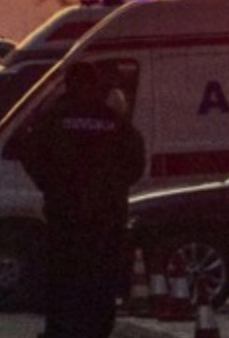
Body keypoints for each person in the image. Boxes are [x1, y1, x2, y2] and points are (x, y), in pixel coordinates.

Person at [8, 61, 146, 338]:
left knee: (64, 279)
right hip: (106, 218)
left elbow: (29, 152)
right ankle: (97, 330)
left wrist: (51, 184)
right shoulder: (113, 121)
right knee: (101, 282)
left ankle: (62, 330)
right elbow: (136, 162)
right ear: (95, 85)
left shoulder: (53, 119)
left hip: (65, 216)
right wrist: (112, 187)